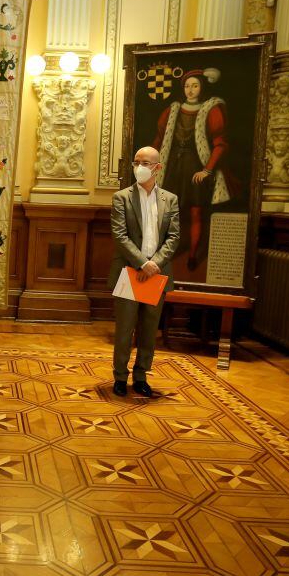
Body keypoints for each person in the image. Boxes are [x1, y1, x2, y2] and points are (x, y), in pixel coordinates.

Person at [108, 146, 180, 398]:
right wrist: (142, 263)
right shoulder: (122, 197)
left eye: (145, 162)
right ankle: (119, 377)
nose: (139, 166)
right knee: (125, 328)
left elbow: (173, 237)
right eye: (136, 161)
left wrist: (155, 264)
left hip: (157, 274)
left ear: (157, 168)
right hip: (130, 271)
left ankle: (141, 376)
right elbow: (119, 235)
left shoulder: (170, 200)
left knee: (149, 330)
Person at [152, 68, 231, 271]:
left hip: (196, 167)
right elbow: (160, 140)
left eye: (195, 85)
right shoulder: (173, 110)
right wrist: (149, 163)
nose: (190, 90)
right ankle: (166, 252)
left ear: (202, 87)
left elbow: (220, 144)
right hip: (173, 167)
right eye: (187, 86)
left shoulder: (211, 109)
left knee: (196, 213)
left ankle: (193, 254)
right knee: (168, 212)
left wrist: (207, 170)